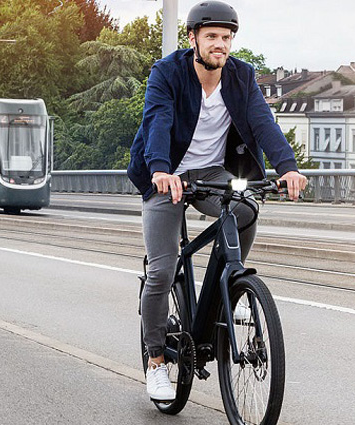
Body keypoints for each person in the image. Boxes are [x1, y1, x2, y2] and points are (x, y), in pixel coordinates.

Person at [127, 0, 308, 402]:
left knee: (246, 208)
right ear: (192, 39)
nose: (220, 45)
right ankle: (156, 362)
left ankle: (228, 288)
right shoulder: (168, 73)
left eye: (226, 38)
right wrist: (159, 169)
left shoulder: (242, 77)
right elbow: (157, 119)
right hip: (167, 174)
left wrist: (288, 167)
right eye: (211, 37)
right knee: (161, 272)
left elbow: (263, 122)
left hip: (211, 174)